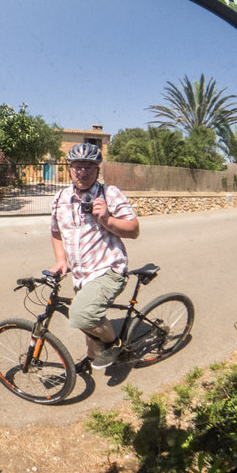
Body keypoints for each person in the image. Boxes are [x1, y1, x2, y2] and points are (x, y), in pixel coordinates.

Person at [49, 143, 140, 371]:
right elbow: (55, 231)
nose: (83, 172)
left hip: (108, 269)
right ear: (69, 169)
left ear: (97, 170)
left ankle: (115, 344)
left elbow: (134, 230)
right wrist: (61, 260)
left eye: (89, 166)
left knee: (81, 316)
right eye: (78, 166)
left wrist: (107, 219)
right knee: (88, 323)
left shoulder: (109, 194)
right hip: (81, 275)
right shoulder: (61, 198)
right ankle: (92, 358)